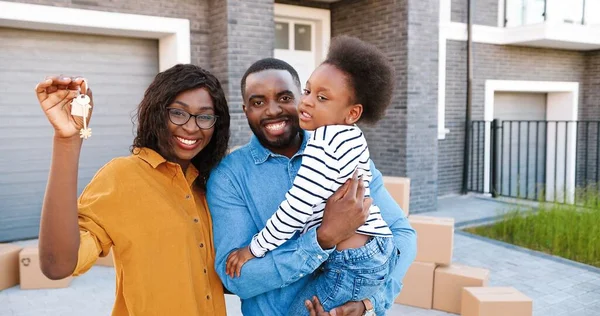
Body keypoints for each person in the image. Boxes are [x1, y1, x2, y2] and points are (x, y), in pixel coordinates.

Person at [206, 54, 417, 315]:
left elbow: (402, 236)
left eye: (285, 98)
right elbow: (236, 278)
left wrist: (368, 304)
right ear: (245, 110)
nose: (272, 110)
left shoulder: (342, 155)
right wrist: (323, 238)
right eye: (258, 102)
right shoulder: (229, 176)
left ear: (298, 100)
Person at [35, 64, 230, 316]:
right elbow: (57, 266)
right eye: (178, 113)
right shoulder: (122, 176)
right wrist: (67, 140)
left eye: (204, 116)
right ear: (157, 113)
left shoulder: (209, 186)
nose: (192, 127)